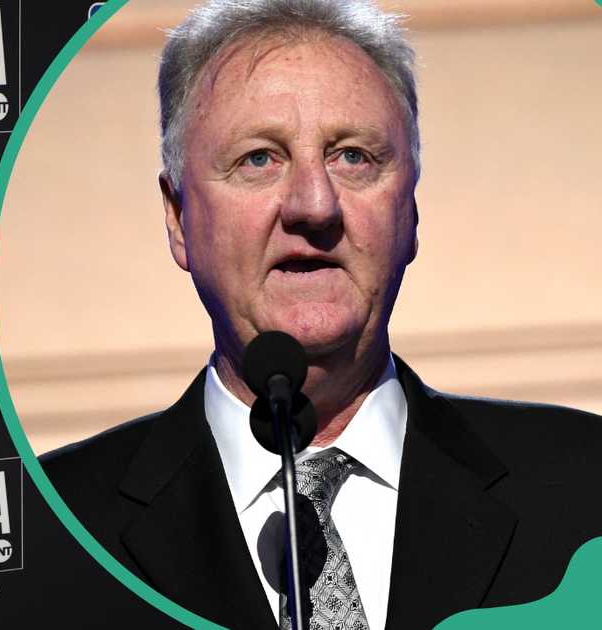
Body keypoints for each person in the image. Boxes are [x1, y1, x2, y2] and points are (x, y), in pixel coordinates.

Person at [41, 1, 602, 629]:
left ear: (410, 210)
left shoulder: (587, 487)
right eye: (258, 158)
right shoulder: (50, 527)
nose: (314, 205)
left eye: (353, 156)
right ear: (178, 220)